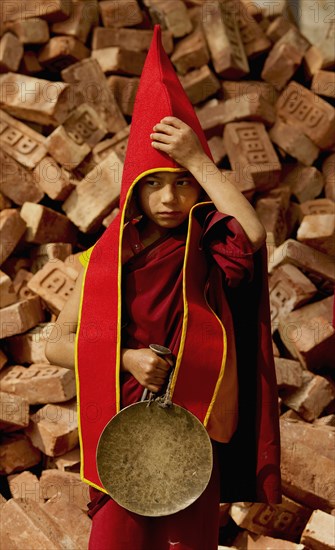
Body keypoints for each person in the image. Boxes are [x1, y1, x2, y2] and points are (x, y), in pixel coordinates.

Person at [46, 25, 281, 550]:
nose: (169, 198)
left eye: (181, 182)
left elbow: (255, 234)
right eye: (153, 183)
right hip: (120, 437)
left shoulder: (210, 249)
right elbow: (55, 342)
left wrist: (199, 158)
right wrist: (124, 358)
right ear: (134, 187)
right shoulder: (105, 259)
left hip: (191, 432)